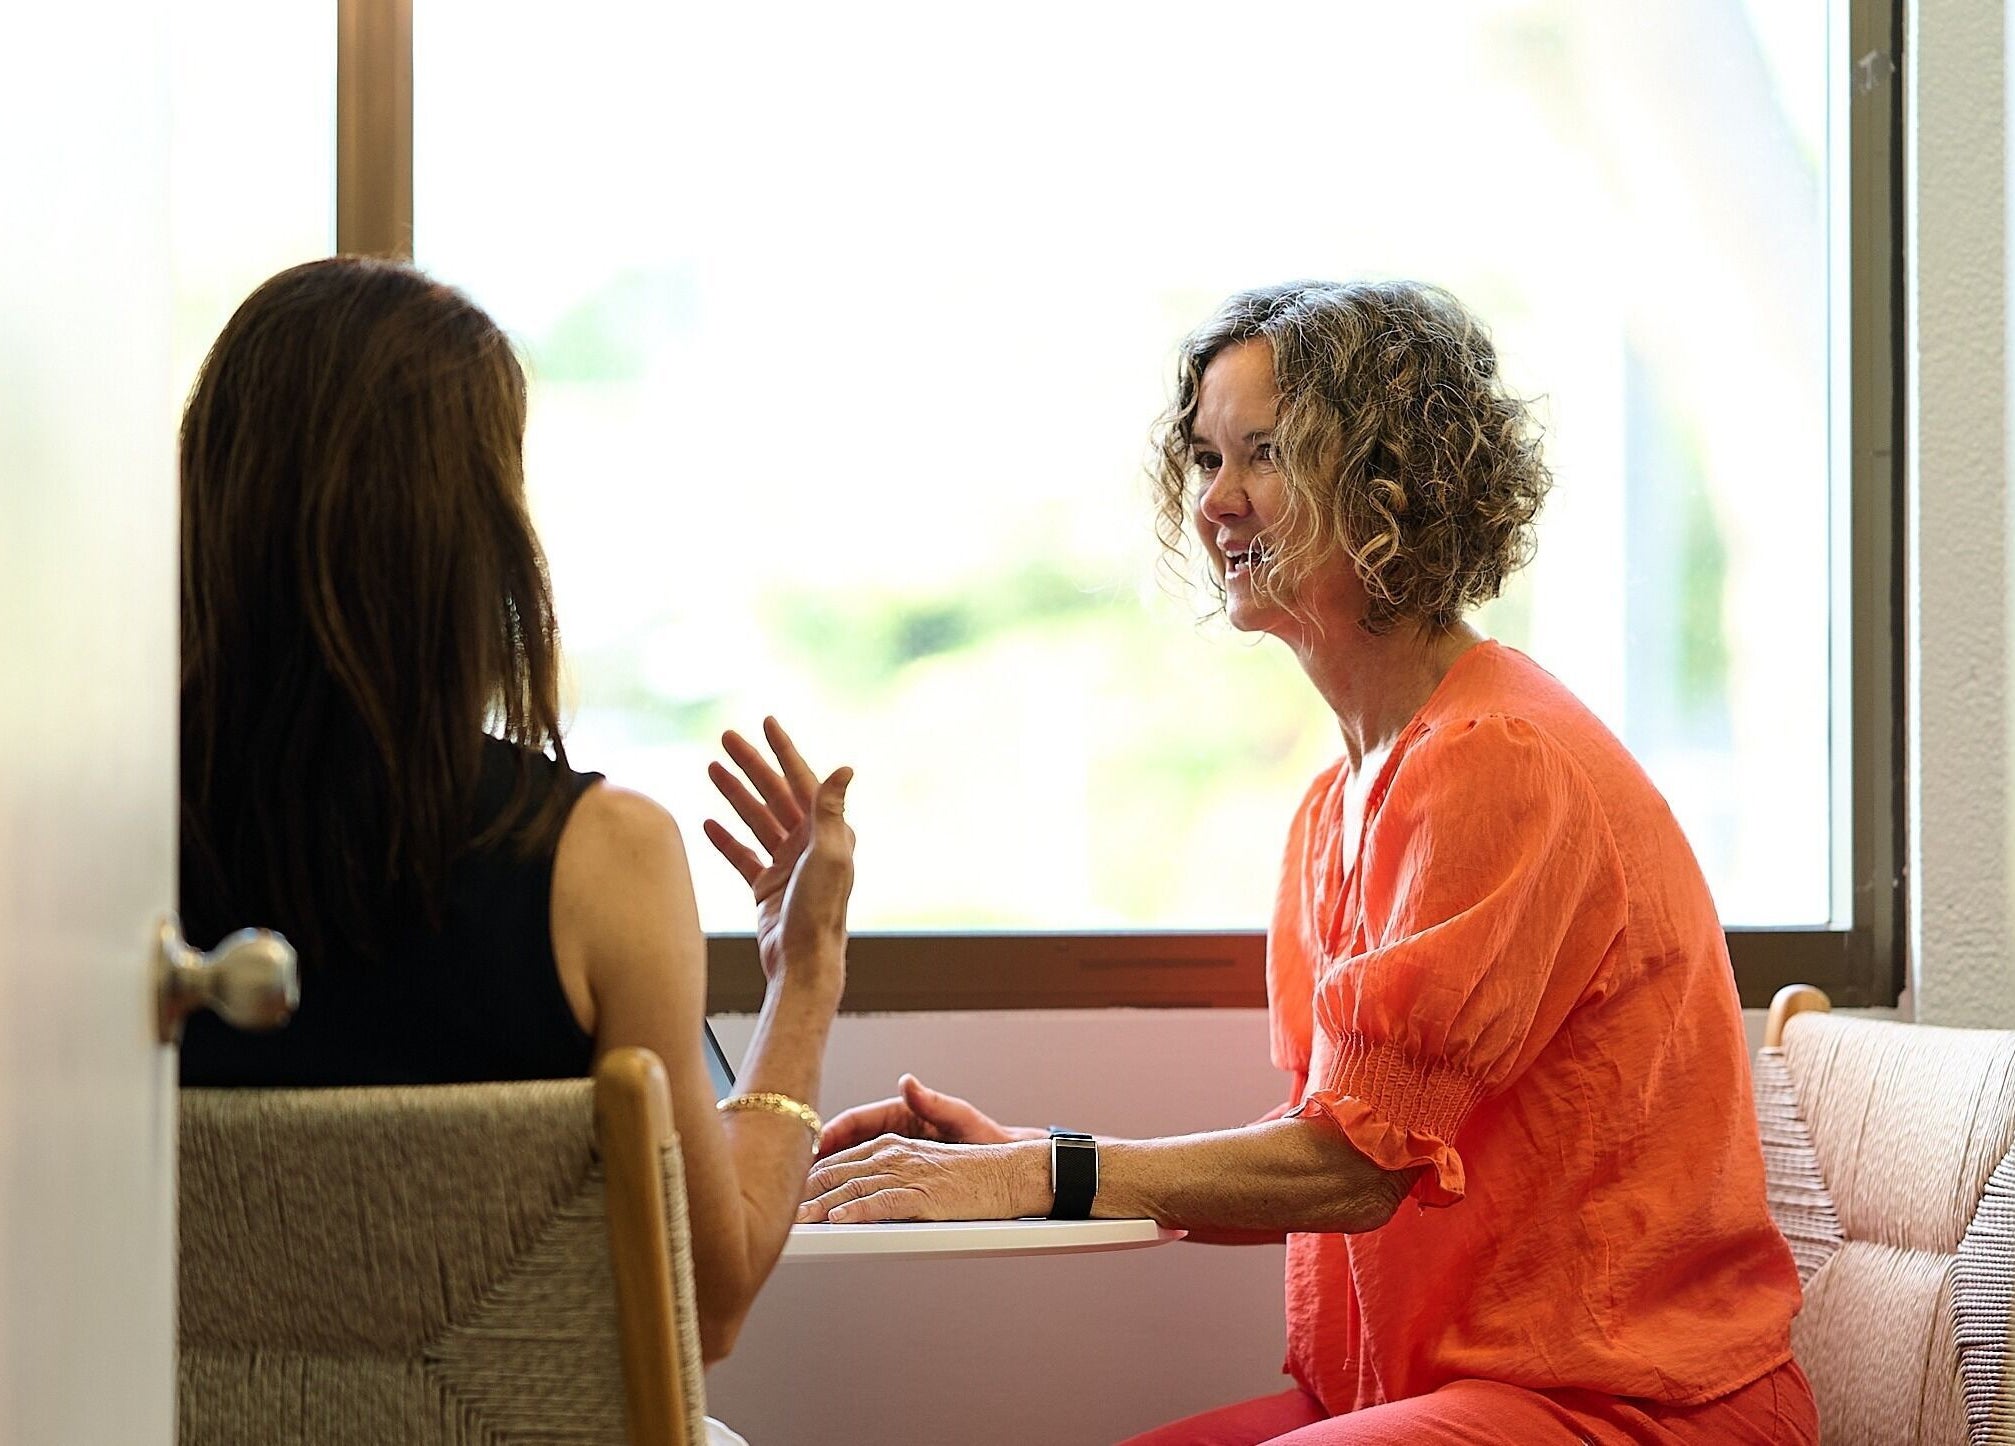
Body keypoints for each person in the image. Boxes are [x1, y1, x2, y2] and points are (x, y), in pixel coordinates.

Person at [798, 281, 1816, 1444]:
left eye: (1265, 454)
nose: (1216, 502)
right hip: (1421, 1403)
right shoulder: (1334, 805)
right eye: (1202, 458)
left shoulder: (1498, 759)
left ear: (1391, 480)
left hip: (1627, 1410)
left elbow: (1351, 1174)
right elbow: (1326, 1148)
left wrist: (1054, 1174)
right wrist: (1024, 1155)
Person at [177, 257, 854, 1404]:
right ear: (473, 533)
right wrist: (807, 975)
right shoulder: (602, 860)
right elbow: (712, 1304)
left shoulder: (68, 859)